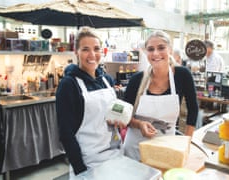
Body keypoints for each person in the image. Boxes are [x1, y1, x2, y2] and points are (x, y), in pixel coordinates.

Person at [56, 26, 125, 179]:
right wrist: (82, 171)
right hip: (89, 163)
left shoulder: (107, 80)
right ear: (76, 52)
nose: (92, 54)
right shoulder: (69, 84)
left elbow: (110, 114)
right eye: (85, 49)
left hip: (116, 154)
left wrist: (119, 120)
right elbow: (66, 134)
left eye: (96, 48)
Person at [123, 30, 199, 161]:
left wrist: (186, 143)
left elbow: (193, 110)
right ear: (146, 52)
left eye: (161, 48)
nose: (156, 53)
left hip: (166, 149)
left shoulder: (182, 75)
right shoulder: (137, 80)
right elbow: (124, 116)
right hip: (135, 149)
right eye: (151, 49)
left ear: (169, 50)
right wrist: (140, 124)